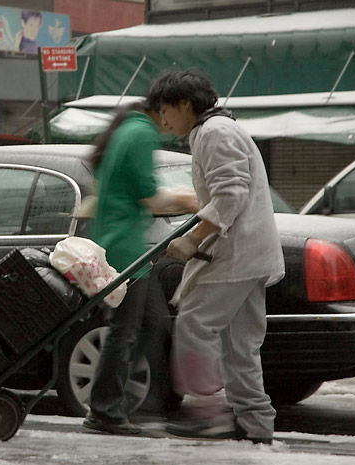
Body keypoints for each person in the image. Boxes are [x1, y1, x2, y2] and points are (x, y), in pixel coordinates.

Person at [145, 69, 285, 444]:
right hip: (251, 255)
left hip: (236, 255)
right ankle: (254, 422)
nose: (163, 120)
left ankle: (207, 412)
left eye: (165, 110)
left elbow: (230, 196)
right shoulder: (221, 130)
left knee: (194, 323)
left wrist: (195, 238)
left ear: (184, 104)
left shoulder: (214, 133)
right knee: (239, 344)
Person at [81, 100, 198, 435]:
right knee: (126, 329)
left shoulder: (124, 129)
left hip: (119, 243)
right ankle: (105, 410)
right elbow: (149, 196)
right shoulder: (142, 133)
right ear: (161, 110)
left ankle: (133, 401)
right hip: (125, 247)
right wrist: (189, 199)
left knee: (153, 324)